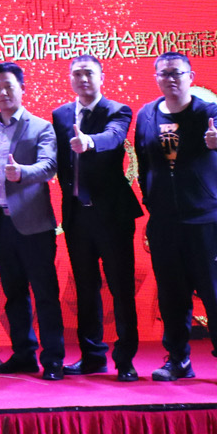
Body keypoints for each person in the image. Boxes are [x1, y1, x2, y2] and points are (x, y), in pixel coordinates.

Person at [133, 52, 217, 387]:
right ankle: (178, 359)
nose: (171, 79)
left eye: (177, 73)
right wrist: (152, 201)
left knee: (215, 295)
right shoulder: (147, 114)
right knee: (171, 296)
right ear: (156, 77)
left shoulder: (208, 112)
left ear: (190, 77)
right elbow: (143, 160)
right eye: (164, 73)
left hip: (205, 222)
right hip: (165, 223)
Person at [52, 54, 143, 382]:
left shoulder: (117, 111)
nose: (83, 79)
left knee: (120, 287)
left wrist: (89, 142)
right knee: (85, 288)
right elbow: (59, 160)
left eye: (89, 73)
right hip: (77, 215)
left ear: (101, 77)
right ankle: (91, 356)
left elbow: (115, 137)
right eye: (76, 74)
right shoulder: (60, 115)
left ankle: (125, 360)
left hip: (112, 215)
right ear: (70, 79)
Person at [0, 62, 65, 381]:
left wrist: (22, 173)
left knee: (45, 294)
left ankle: (53, 358)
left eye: (9, 86)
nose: (2, 92)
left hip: (34, 225)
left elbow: (49, 166)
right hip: (0, 225)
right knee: (13, 295)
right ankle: (24, 353)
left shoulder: (41, 127)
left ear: (22, 88)